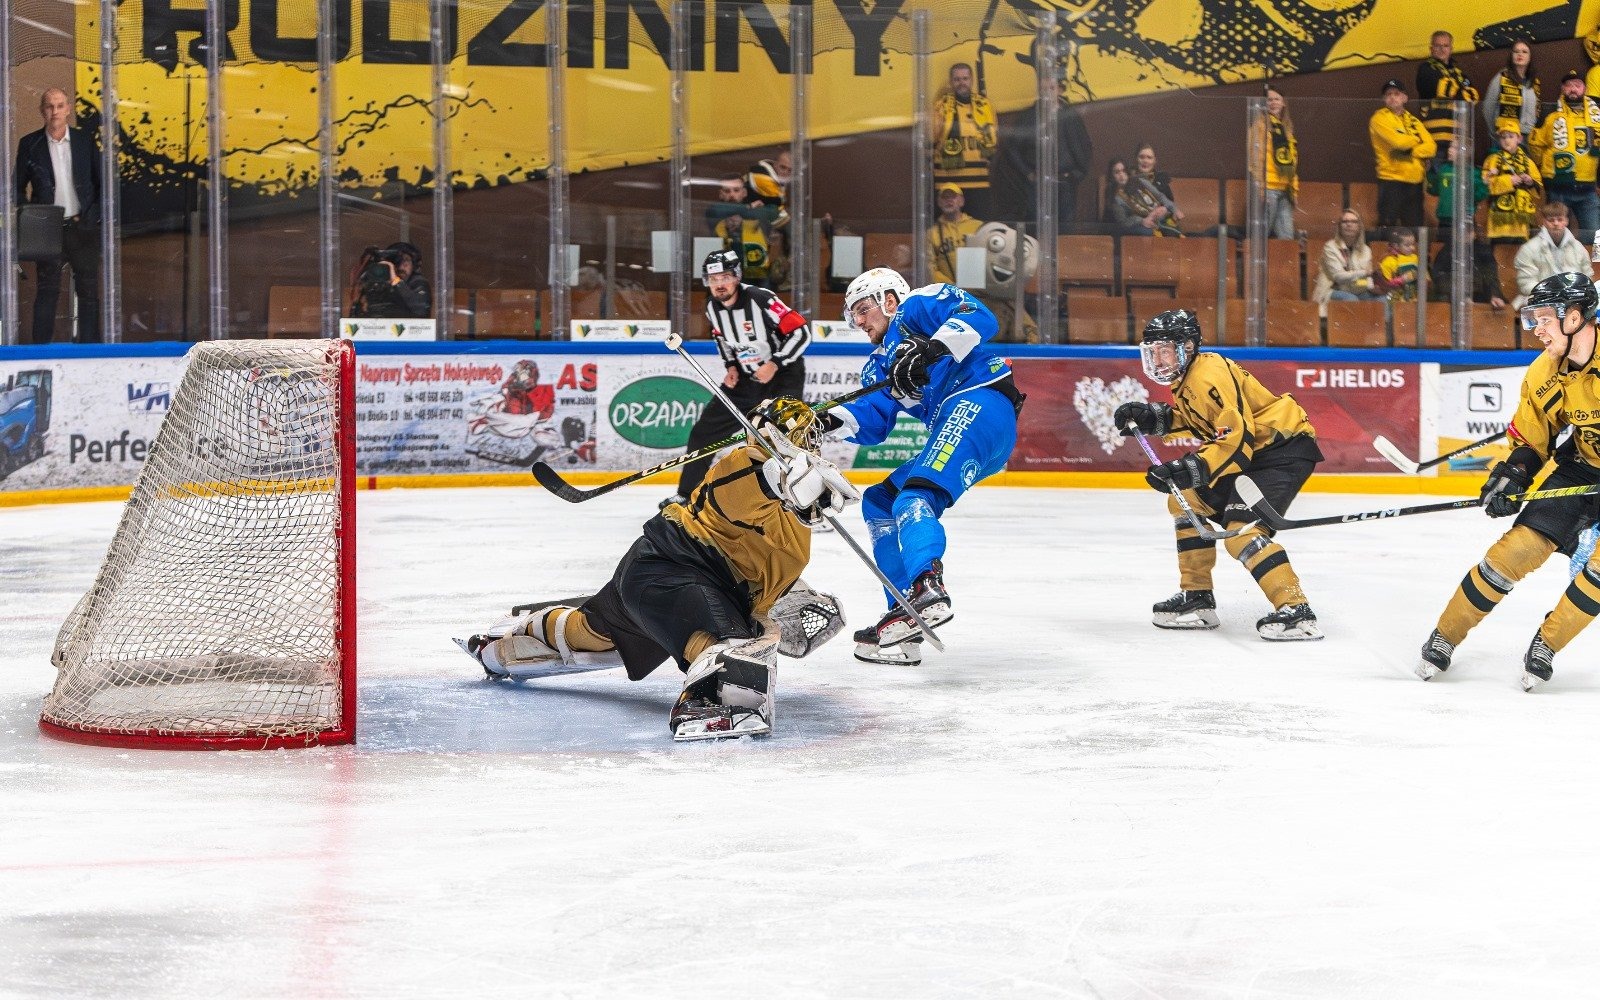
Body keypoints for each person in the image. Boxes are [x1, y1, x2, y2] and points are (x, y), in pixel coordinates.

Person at [459, 397, 858, 739]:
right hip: (673, 573)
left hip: (660, 575)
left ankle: (499, 646)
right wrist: (779, 480)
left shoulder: (802, 498)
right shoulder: (745, 465)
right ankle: (708, 703)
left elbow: (762, 558)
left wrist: (785, 599)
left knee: (588, 634)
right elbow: (754, 482)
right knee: (737, 661)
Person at [823, 267, 1024, 666]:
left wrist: (933, 347)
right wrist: (820, 421)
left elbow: (981, 316)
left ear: (889, 300)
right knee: (880, 503)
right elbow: (873, 421)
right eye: (854, 315)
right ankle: (905, 614)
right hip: (966, 422)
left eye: (864, 309)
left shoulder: (916, 307)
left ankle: (927, 589)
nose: (859, 322)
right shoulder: (878, 366)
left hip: (978, 400)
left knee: (915, 498)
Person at [1415, 273, 1600, 691]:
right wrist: (1512, 474)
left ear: (1574, 318)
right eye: (1532, 318)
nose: (1536, 329)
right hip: (1583, 470)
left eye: (1544, 319)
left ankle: (1547, 645)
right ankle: (1444, 636)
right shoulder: (1542, 374)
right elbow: (1533, 442)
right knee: (1514, 551)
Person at [1113, 309, 1325, 641]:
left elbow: (1236, 437)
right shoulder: (1189, 377)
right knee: (1186, 502)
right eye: (1153, 350)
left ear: (1188, 347)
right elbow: (1199, 419)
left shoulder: (1208, 374)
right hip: (1258, 453)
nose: (1157, 358)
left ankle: (1296, 610)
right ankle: (1197, 598)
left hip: (1280, 452)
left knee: (1241, 531)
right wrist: (1154, 418)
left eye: (1165, 349)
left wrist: (1190, 469)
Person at [668, 248, 810, 504]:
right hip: (745, 380)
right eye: (713, 280)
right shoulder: (712, 306)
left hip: (783, 376)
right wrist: (731, 365)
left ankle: (802, 501)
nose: (719, 284)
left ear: (736, 276)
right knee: (704, 432)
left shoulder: (760, 298)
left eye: (724, 277)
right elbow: (720, 336)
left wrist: (775, 364)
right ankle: (686, 496)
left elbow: (801, 332)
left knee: (785, 440)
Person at [14, 87, 101, 344]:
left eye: (60, 106)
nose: (55, 111)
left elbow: (101, 183)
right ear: (42, 111)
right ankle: (41, 350)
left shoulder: (84, 140)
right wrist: (32, 217)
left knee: (88, 290)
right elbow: (15, 187)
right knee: (47, 290)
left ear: (68, 109)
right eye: (50, 106)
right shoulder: (30, 144)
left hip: (80, 224)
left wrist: (93, 215)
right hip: (48, 228)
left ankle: (90, 350)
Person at [988, 68, 1092, 228]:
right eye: (1043, 89)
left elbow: (1085, 147)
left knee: (1065, 231)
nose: (1047, 93)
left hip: (1065, 184)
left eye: (1051, 88)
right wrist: (1027, 173)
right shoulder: (1028, 116)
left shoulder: (1071, 116)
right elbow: (1011, 147)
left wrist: (1076, 174)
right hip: (1037, 185)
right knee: (1036, 229)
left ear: (1060, 90)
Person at [1529, 71, 1600, 234]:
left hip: (1588, 189)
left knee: (1596, 238)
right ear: (1562, 89)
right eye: (1569, 85)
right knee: (1557, 238)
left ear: (1585, 89)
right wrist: (1545, 173)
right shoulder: (1550, 116)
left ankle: (1596, 261)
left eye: (1577, 85)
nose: (1573, 89)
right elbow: (1535, 145)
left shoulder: (1597, 118)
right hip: (1558, 189)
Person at [932, 62, 999, 220]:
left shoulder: (986, 105)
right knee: (948, 231)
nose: (962, 83)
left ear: (972, 80)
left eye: (965, 78)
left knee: (980, 231)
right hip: (948, 184)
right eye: (957, 79)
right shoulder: (940, 107)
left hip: (980, 183)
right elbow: (930, 140)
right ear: (951, 82)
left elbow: (995, 140)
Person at [1369, 79, 1437, 228]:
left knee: (1414, 229)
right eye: (1388, 94)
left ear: (1405, 98)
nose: (1393, 97)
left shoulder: (1413, 120)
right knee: (1387, 227)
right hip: (1391, 180)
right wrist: (1417, 142)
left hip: (1414, 182)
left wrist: (1411, 150)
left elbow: (1431, 147)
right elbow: (1398, 143)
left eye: (1397, 94)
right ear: (1384, 99)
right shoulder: (1379, 118)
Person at [1511, 201, 1592, 310]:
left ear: (1566, 221)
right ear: (1544, 222)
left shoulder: (1578, 248)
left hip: (1573, 301)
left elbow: (1587, 278)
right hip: (1540, 300)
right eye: (1551, 220)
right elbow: (1525, 283)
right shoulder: (1528, 249)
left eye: (1560, 219)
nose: (1556, 223)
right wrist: (1553, 294)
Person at [1415, 30, 1479, 162]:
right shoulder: (1426, 69)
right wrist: (1460, 92)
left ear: (1451, 49)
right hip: (1433, 139)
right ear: (1431, 49)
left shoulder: (1459, 73)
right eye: (1438, 46)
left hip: (1456, 140)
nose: (1441, 49)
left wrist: (1456, 92)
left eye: (1445, 46)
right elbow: (1445, 89)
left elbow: (1473, 97)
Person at [706, 173, 777, 289]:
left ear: (744, 193)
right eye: (727, 191)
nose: (732, 194)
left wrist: (742, 215)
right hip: (724, 273)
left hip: (756, 274)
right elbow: (715, 211)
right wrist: (747, 208)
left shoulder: (757, 211)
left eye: (736, 190)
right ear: (721, 194)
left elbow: (770, 212)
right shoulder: (714, 211)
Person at [1481, 119, 1542, 243]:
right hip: (1499, 221)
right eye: (1503, 137)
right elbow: (1484, 184)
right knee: (1499, 249)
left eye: (1510, 136)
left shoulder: (1528, 162)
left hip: (1521, 221)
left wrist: (1530, 182)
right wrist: (1508, 181)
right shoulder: (1492, 159)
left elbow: (1539, 187)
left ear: (1519, 139)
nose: (1506, 140)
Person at [1311, 209, 1382, 306]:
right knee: (1350, 299)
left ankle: (1381, 322)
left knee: (1383, 299)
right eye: (1345, 221)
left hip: (1356, 291)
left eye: (1353, 222)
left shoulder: (1366, 250)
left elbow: (1362, 280)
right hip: (1333, 289)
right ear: (1339, 227)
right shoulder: (1330, 247)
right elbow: (1338, 277)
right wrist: (1364, 272)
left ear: (1359, 227)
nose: (1349, 224)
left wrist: (1371, 286)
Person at [1427, 227, 1508, 309]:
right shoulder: (1446, 251)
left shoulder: (1483, 251)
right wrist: (1461, 296)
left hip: (1481, 299)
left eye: (1468, 231)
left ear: (1475, 233)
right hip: (1452, 300)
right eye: (1461, 231)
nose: (1464, 235)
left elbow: (1491, 277)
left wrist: (1493, 296)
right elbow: (1439, 280)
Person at [349, 241, 432, 319]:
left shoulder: (418, 283)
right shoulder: (381, 283)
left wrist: (396, 281)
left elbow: (421, 310)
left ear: (414, 265)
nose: (401, 266)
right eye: (397, 261)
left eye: (406, 260)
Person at [1102, 158, 1181, 237]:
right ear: (1112, 176)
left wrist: (1173, 208)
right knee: (1147, 232)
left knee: (1174, 227)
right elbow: (1123, 222)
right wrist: (1142, 221)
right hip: (1138, 224)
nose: (1121, 175)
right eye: (1117, 172)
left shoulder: (1140, 181)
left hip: (1158, 216)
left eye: (1124, 171)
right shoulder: (1115, 197)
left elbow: (1160, 196)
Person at [1424, 141, 1487, 241]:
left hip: (1465, 219)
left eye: (1455, 148)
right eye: (1450, 147)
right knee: (1443, 248)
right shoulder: (1444, 169)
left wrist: (1484, 183)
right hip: (1445, 219)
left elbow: (1479, 195)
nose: (1450, 150)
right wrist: (1429, 173)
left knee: (1465, 247)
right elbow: (1434, 190)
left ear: (1465, 153)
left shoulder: (1473, 172)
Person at [1260, 85, 1299, 240]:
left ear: (1283, 103)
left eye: (1277, 99)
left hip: (1285, 190)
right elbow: (1255, 161)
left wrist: (1294, 190)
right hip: (1268, 188)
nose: (1273, 102)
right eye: (1269, 99)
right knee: (1261, 239)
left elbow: (1293, 163)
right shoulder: (1259, 126)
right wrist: (1260, 187)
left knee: (1287, 239)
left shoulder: (1287, 129)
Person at [1483, 38, 1539, 143]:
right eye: (1516, 51)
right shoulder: (1501, 77)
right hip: (1505, 136)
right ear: (1511, 55)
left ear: (1530, 57)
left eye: (1524, 52)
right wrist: (1495, 132)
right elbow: (1487, 108)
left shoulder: (1533, 82)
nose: (1520, 54)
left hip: (1527, 138)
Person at [929, 183, 984, 285]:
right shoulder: (932, 233)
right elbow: (930, 267)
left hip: (976, 290)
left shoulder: (978, 227)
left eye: (953, 197)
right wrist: (951, 287)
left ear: (961, 201)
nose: (949, 200)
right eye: (945, 197)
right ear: (939, 202)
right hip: (948, 295)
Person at [1133, 144, 1184, 230]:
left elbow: (1170, 206)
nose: (1145, 161)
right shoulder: (1127, 179)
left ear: (1154, 161)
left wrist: (1164, 211)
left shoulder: (1162, 180)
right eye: (1141, 157)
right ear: (1136, 159)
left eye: (1149, 158)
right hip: (1138, 225)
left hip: (1161, 224)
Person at [1376, 229, 1420, 302]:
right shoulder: (1387, 261)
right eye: (1407, 245)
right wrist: (1401, 280)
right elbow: (1384, 285)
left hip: (1414, 298)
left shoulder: (1415, 258)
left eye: (1413, 244)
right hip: (1395, 299)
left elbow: (1425, 279)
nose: (1412, 248)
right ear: (1396, 246)